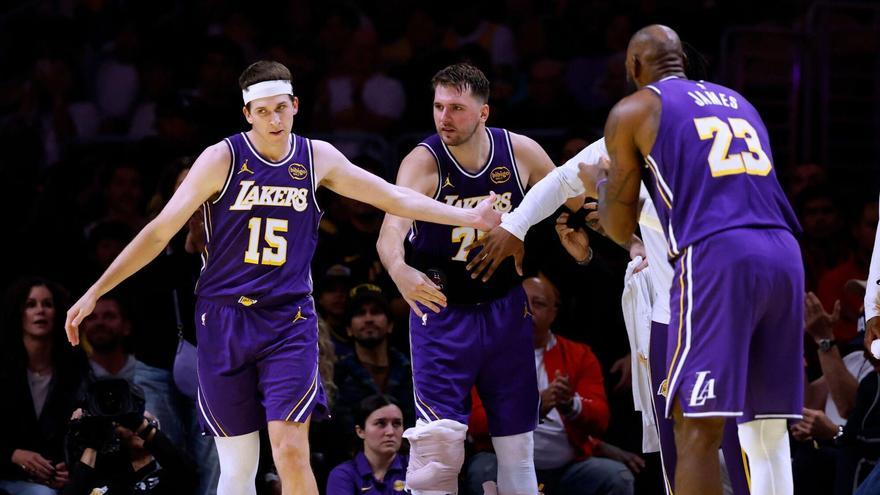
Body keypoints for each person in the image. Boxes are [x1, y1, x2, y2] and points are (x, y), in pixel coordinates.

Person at [64, 60, 502, 495]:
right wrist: (95, 292)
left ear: (295, 105)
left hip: (287, 320)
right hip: (224, 319)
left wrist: (467, 216)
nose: (274, 120)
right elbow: (160, 231)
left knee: (291, 452)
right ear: (247, 114)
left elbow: (392, 196)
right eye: (263, 111)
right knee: (238, 467)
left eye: (281, 108)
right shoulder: (221, 158)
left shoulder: (316, 157)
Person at [582, 25, 803, 495]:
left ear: (634, 66)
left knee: (695, 423)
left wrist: (601, 184)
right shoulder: (739, 101)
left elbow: (619, 228)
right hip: (784, 252)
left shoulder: (634, 109)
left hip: (720, 255)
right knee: (765, 429)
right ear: (681, 59)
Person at [376, 63, 577, 494]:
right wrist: (398, 269)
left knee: (518, 450)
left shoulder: (520, 152)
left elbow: (575, 198)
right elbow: (390, 231)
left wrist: (627, 239)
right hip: (442, 311)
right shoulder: (423, 162)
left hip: (506, 309)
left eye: (456, 108)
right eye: (438, 107)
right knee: (437, 458)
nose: (444, 117)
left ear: (484, 112)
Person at [466, 276, 637, 495]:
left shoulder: (580, 355)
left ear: (553, 312)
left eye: (538, 304)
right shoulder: (486, 354)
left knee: (617, 478)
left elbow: (601, 420)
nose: (527, 310)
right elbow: (477, 423)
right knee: (482, 471)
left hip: (566, 469)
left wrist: (571, 404)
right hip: (504, 463)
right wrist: (533, 408)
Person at [0, 278, 89, 495]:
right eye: (30, 305)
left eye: (48, 304)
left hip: (52, 481)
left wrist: (65, 469)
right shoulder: (2, 368)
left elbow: (80, 434)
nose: (40, 311)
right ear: (18, 313)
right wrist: (13, 454)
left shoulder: (73, 370)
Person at [333, 284, 415, 435]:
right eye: (360, 313)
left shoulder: (412, 371)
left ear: (390, 325)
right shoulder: (336, 376)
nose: (368, 319)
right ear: (348, 329)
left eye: (376, 312)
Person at [326, 395, 408, 495]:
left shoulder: (415, 469)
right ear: (360, 431)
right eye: (380, 423)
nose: (390, 432)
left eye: (397, 424)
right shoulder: (343, 475)